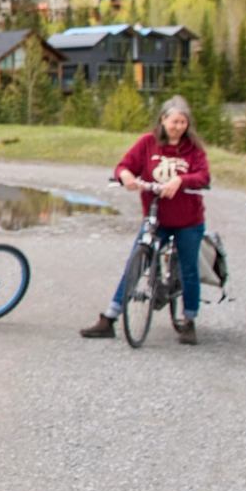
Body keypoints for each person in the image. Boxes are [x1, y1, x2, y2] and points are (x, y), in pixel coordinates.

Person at [81, 94, 211, 343]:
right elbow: (123, 166)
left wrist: (181, 180)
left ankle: (189, 320)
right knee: (136, 263)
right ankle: (110, 317)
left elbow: (204, 176)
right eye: (174, 122)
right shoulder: (147, 143)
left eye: (183, 122)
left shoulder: (194, 149)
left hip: (188, 220)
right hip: (156, 217)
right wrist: (126, 176)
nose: (178, 127)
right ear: (163, 120)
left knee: (188, 269)